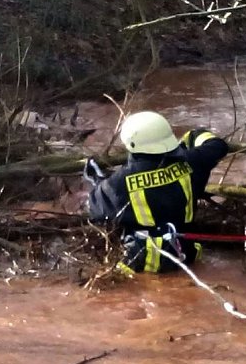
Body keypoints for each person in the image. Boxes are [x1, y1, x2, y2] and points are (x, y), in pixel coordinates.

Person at [85, 111, 229, 273]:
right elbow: (217, 146)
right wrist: (193, 136)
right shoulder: (192, 162)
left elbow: (94, 209)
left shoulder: (117, 183)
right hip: (187, 254)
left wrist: (97, 180)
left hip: (142, 263)